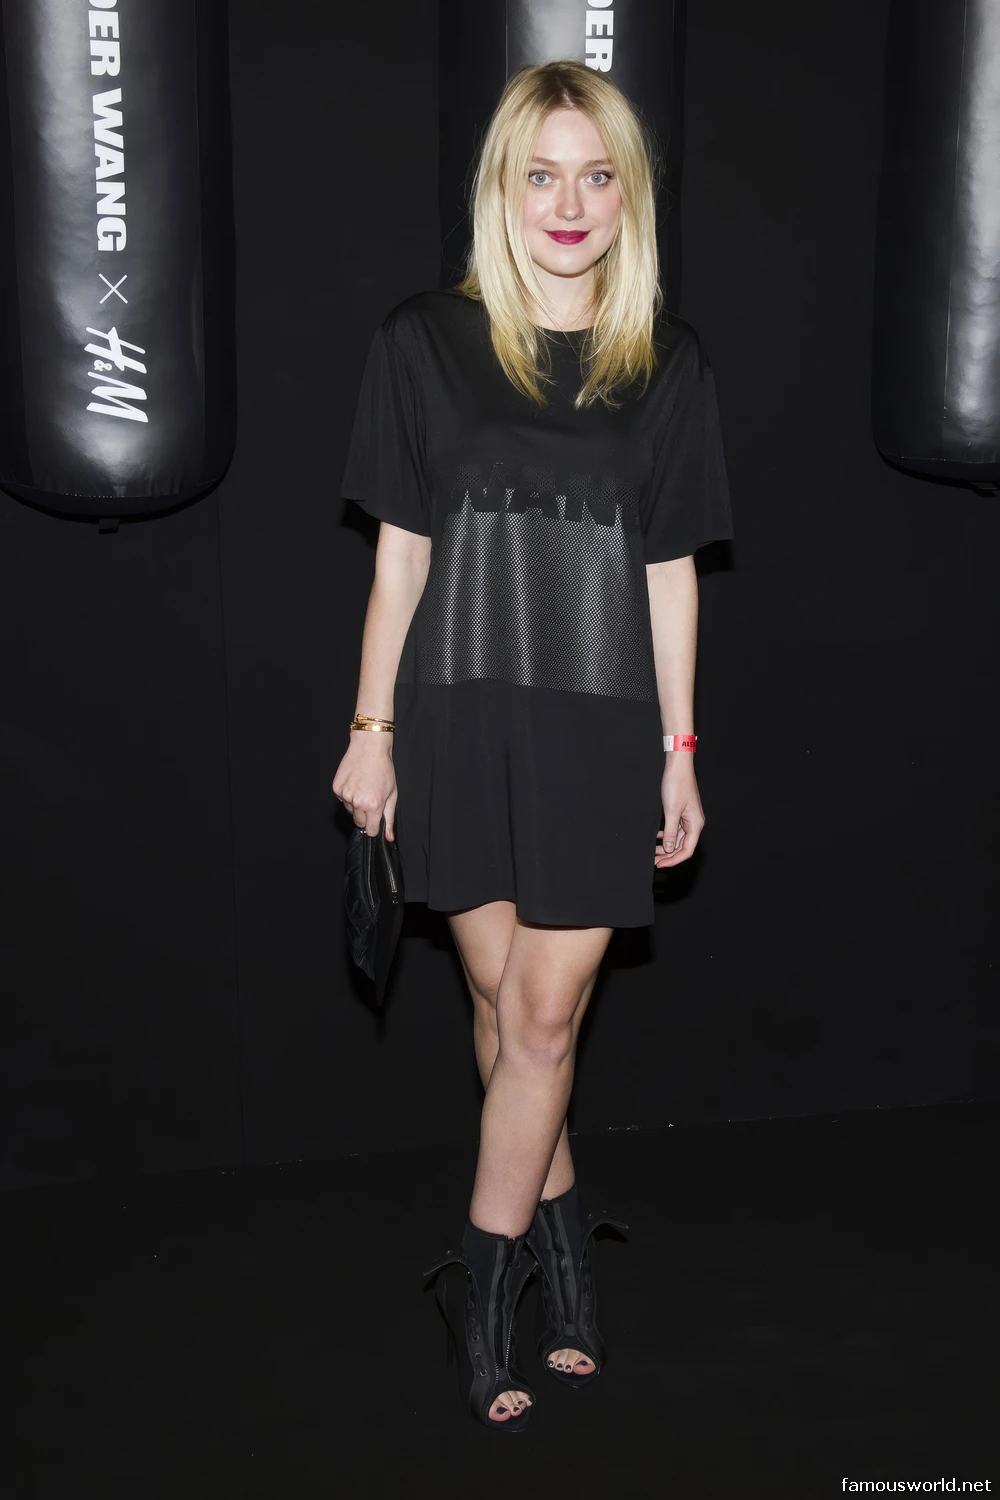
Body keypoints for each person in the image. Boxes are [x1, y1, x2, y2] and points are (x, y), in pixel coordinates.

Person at [332, 59, 733, 1432]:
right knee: (506, 1013)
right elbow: (399, 560)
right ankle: (569, 1266)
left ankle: (480, 1282)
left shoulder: (668, 361)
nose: (569, 202)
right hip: (458, 715)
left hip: (600, 729)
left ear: (630, 197)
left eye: (597, 175)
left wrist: (680, 748)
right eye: (541, 174)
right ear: (500, 190)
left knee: (547, 1019)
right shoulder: (422, 341)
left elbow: (670, 572)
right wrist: (371, 733)